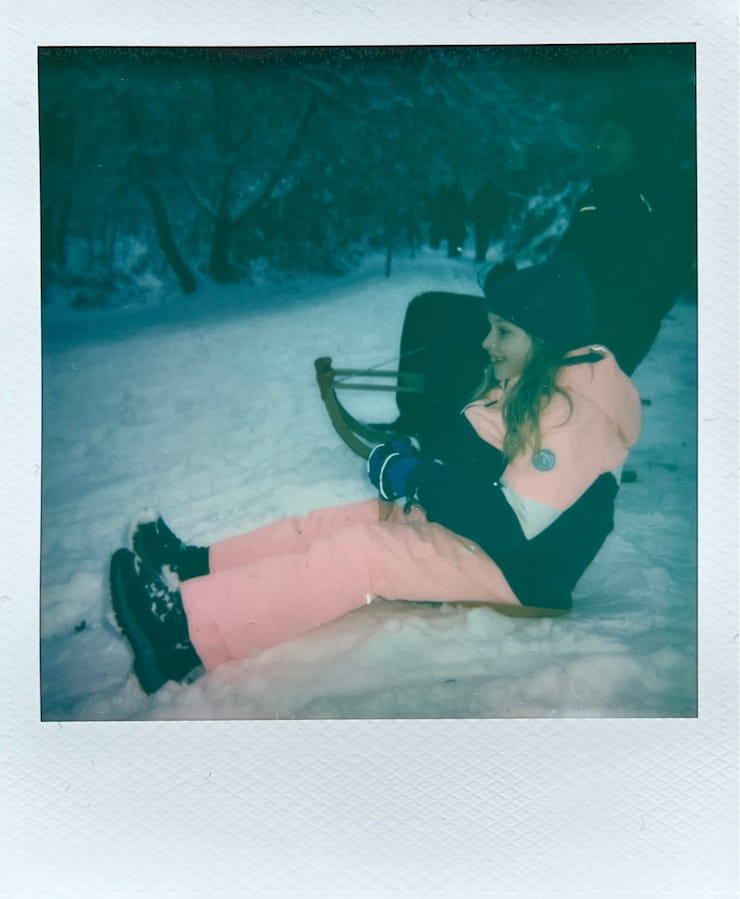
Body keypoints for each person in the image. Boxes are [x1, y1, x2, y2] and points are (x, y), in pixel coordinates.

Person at [110, 253, 642, 695]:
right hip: (483, 536)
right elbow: (484, 455)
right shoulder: (540, 382)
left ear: (544, 337)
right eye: (489, 328)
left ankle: (181, 637)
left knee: (365, 553)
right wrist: (419, 459)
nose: (487, 342)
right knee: (335, 524)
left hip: (520, 571)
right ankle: (193, 566)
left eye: (503, 331)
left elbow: (512, 523)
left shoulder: (576, 415)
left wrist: (416, 479)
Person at [556, 93, 695, 375]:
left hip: (592, 356)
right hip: (563, 339)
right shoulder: (601, 196)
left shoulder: (659, 211)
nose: (598, 145)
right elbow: (566, 267)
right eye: (599, 135)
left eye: (612, 137)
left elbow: (641, 306)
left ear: (644, 145)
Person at [470, 179, 509, 263]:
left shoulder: (479, 193)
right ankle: (482, 255)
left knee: (479, 238)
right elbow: (497, 208)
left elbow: (473, 206)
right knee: (485, 238)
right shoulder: (494, 194)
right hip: (488, 221)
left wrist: (472, 218)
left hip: (479, 220)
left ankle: (478, 255)